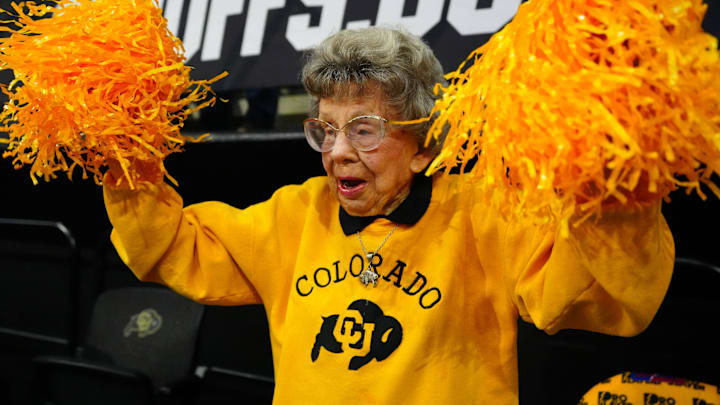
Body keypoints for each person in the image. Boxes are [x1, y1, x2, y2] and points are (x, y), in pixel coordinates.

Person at [103, 26, 675, 404]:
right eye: (324, 130)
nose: (336, 152)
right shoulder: (296, 213)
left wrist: (618, 191)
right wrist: (127, 159)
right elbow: (173, 247)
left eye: (363, 130)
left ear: (424, 144)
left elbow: (596, 299)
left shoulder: (487, 212)